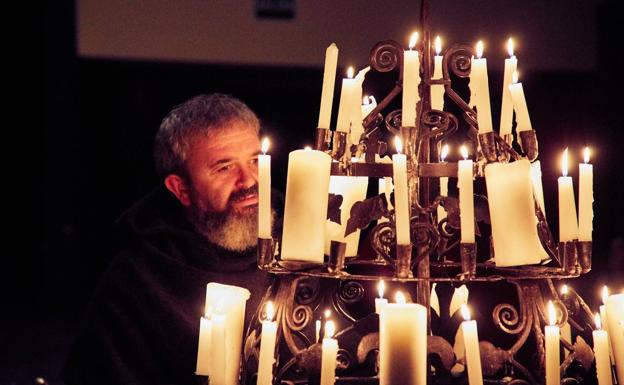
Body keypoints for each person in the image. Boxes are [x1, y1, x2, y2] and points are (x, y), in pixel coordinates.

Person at [62, 94, 279, 385]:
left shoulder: (307, 246)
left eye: (255, 160)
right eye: (224, 167)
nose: (250, 180)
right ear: (180, 189)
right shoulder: (135, 281)